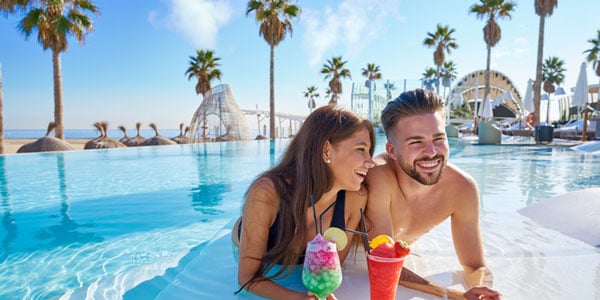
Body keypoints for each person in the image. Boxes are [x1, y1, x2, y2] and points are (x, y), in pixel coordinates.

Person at [365, 88, 501, 300]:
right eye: (416, 142)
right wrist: (451, 294)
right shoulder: (379, 177)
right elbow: (385, 261)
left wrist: (483, 291)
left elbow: (474, 265)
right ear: (392, 151)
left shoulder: (462, 188)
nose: (431, 152)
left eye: (438, 138)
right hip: (358, 264)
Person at [233, 105, 376, 299]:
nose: (371, 162)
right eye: (361, 149)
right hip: (247, 244)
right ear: (326, 150)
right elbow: (247, 278)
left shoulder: (355, 199)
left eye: (370, 152)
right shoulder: (267, 193)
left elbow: (329, 273)